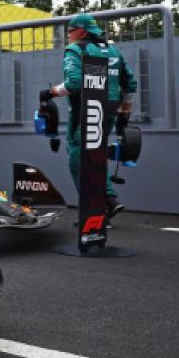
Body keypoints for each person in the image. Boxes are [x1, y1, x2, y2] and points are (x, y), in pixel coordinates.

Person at [44, 14, 137, 220]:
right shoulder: (113, 50)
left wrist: (50, 92)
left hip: (85, 111)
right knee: (96, 153)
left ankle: (99, 205)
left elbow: (74, 84)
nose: (68, 35)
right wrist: (124, 115)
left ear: (81, 31)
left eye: (70, 31)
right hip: (110, 111)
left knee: (77, 159)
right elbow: (131, 84)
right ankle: (108, 202)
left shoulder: (76, 50)